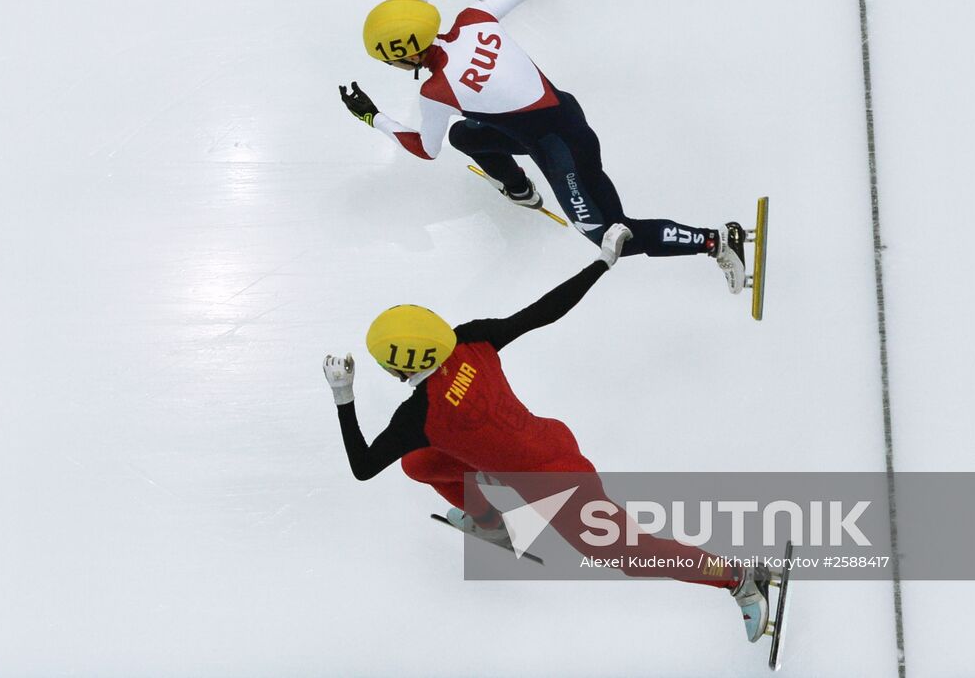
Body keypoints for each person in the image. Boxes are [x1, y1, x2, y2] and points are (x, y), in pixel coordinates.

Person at [321, 224, 775, 643]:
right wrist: (602, 261)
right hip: (551, 440)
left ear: (402, 364)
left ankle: (737, 577)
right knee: (420, 462)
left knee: (631, 555)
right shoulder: (470, 340)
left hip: (558, 486)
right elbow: (543, 312)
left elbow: (363, 467)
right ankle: (491, 524)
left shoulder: (414, 419)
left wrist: (343, 394)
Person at [337, 0, 749, 289]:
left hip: (560, 153)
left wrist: (374, 117)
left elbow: (425, 150)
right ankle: (519, 188)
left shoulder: (436, 91)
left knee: (612, 237)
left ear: (407, 53)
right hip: (565, 116)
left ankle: (715, 240)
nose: (391, 65)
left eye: (388, 58)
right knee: (465, 134)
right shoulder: (473, 17)